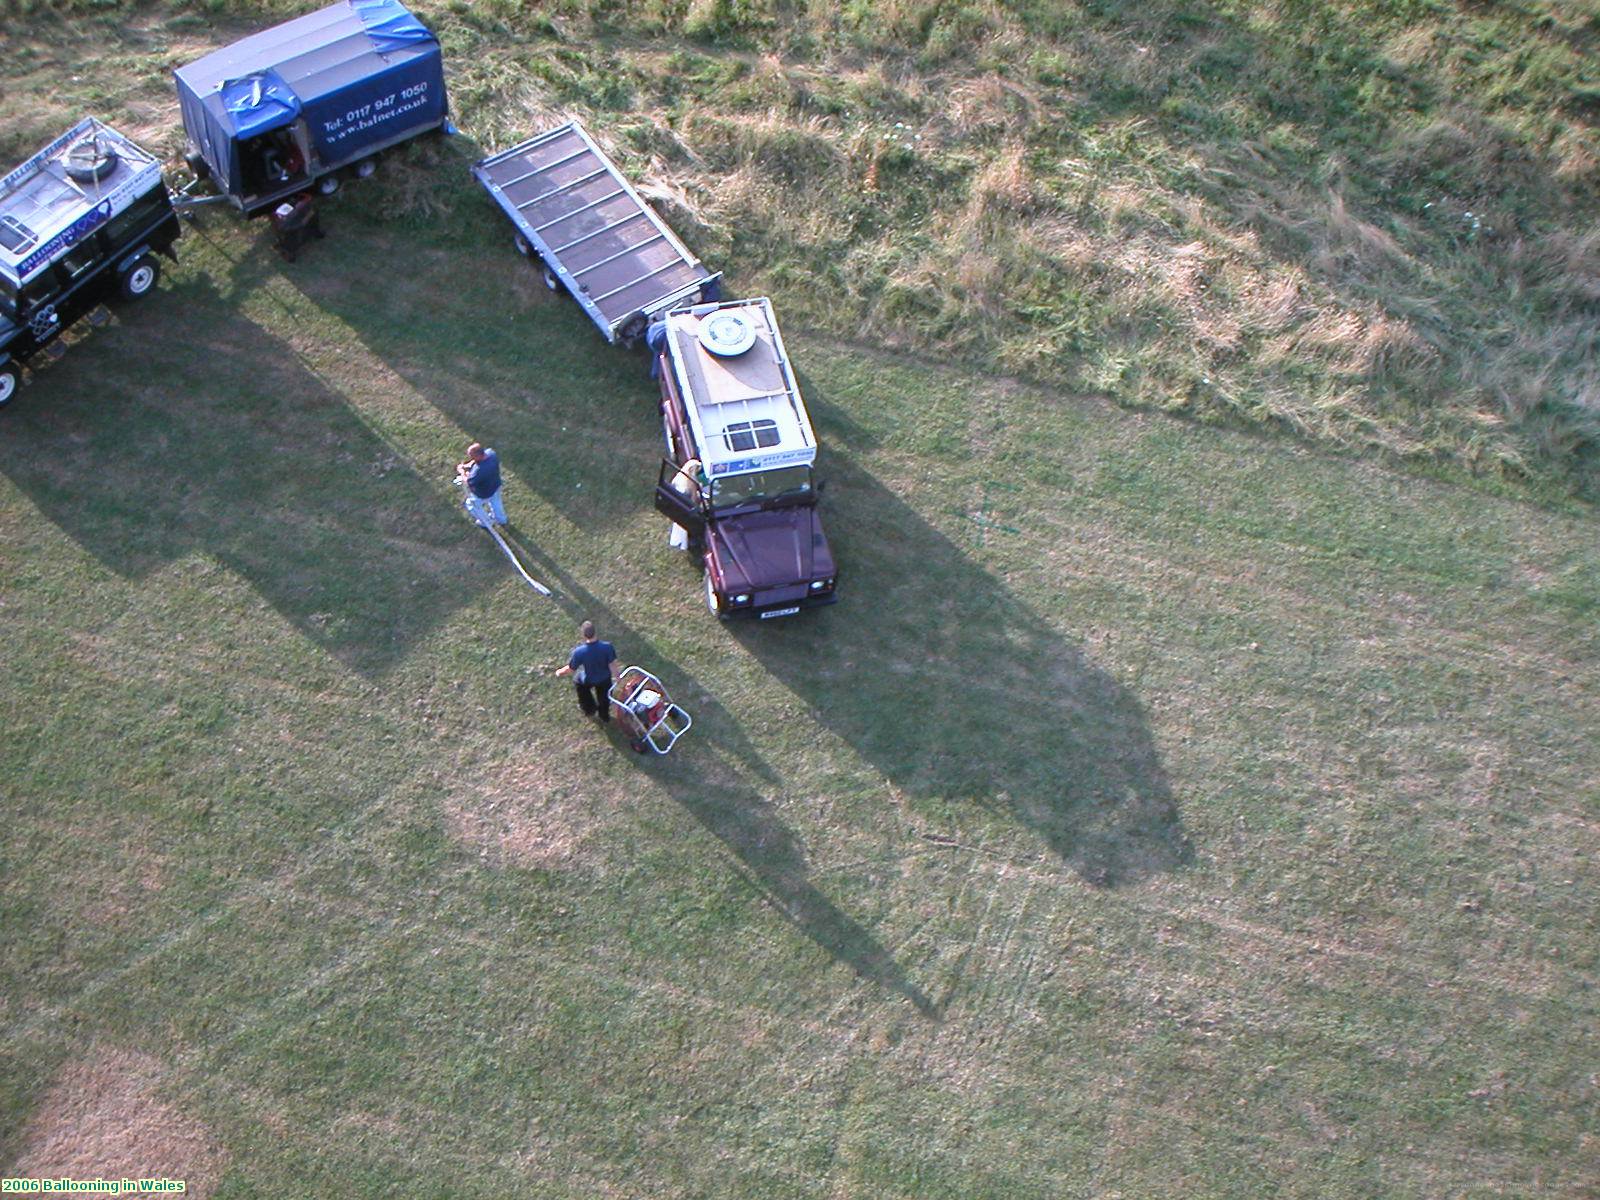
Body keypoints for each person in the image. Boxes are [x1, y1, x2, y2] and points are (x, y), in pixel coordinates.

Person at [555, 620, 617, 723]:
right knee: (604, 697)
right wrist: (618, 677)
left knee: (579, 683)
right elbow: (612, 664)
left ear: (584, 635)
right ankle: (604, 715)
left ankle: (589, 709)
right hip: (605, 678)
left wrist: (559, 672)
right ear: (595, 633)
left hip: (589, 679)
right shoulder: (607, 647)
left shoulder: (579, 652)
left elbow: (571, 669)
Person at [455, 442, 505, 528]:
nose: (471, 458)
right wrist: (468, 465)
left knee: (471, 504)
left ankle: (487, 522)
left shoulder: (478, 472)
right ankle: (501, 519)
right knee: (496, 502)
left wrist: (462, 471)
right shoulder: (491, 453)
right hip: (495, 485)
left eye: (472, 457)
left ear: (478, 456)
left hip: (483, 493)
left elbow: (468, 481)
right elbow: (477, 460)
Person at [270, 193, 323, 262]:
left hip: (298, 216)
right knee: (292, 230)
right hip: (293, 221)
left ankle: (315, 231)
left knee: (308, 216)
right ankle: (290, 249)